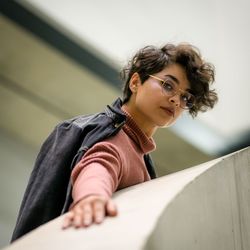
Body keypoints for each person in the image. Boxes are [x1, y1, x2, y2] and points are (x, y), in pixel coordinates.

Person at [62, 43, 218, 229]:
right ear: (135, 82)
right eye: (168, 85)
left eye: (185, 98)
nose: (176, 100)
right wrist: (91, 198)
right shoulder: (116, 137)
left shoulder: (138, 152)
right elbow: (100, 163)